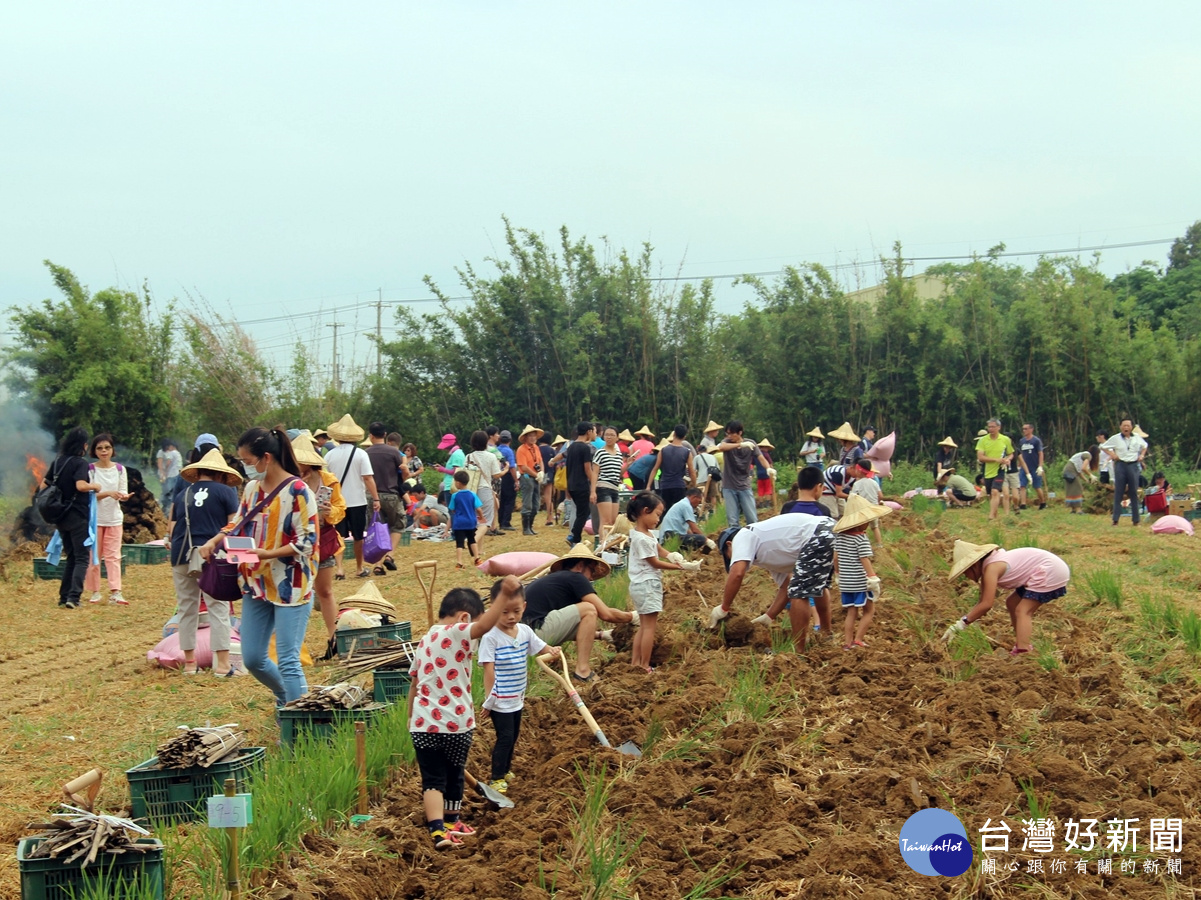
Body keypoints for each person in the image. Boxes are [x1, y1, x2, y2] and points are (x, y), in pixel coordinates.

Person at [200, 426, 317, 707]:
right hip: (256, 583)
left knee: (288, 658)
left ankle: (300, 721)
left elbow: (308, 542)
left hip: (292, 585)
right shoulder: (252, 489)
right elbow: (237, 523)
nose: (246, 468)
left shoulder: (298, 490)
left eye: (248, 462)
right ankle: (285, 699)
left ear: (266, 458)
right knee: (252, 658)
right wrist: (215, 541)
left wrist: (267, 554)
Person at [407, 579, 511, 850]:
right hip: (456, 723)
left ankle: (440, 831)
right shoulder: (457, 632)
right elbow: (484, 625)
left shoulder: (423, 639)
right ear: (464, 618)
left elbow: (414, 685)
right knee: (454, 774)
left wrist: (410, 718)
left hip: (422, 724)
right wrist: (504, 594)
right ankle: (452, 821)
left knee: (432, 780)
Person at [479, 579, 561, 794]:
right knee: (504, 738)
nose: (511, 617)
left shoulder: (524, 631)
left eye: (516, 611)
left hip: (517, 697)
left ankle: (506, 770)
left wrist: (552, 650)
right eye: (504, 612)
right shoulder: (490, 637)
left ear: (524, 607)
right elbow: (488, 670)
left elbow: (540, 647)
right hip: (499, 700)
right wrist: (490, 700)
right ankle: (496, 777)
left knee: (514, 735)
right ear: (494, 609)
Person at [709, 513, 836, 650]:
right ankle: (826, 635)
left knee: (799, 594)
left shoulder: (742, 536)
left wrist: (723, 608)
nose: (733, 560)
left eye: (729, 556)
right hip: (829, 529)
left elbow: (737, 574)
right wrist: (769, 617)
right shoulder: (768, 552)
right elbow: (786, 586)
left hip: (816, 534)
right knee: (818, 586)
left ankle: (799, 650)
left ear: (729, 545)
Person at [167, 449, 241, 675]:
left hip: (181, 554)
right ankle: (222, 665)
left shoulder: (183, 495)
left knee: (187, 608)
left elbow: (171, 529)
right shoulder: (226, 492)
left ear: (198, 473)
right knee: (217, 607)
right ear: (220, 475)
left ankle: (190, 664)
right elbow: (232, 527)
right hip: (210, 554)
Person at [521, 543, 637, 681]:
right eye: (592, 571)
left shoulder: (558, 581)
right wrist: (633, 617)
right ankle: (583, 671)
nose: (591, 578)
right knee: (589, 609)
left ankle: (584, 663)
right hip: (534, 635)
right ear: (581, 565)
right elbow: (606, 614)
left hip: (523, 640)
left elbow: (572, 625)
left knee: (582, 614)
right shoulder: (576, 577)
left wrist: (601, 635)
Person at [941, 540, 1070, 655]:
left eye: (965, 572)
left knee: (1023, 611)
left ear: (974, 565)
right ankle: (1021, 642)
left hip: (1050, 570)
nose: (967, 577)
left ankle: (1024, 650)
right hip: (1044, 569)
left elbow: (986, 604)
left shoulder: (991, 568)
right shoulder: (990, 566)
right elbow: (982, 601)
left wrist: (961, 624)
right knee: (1012, 603)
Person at [291, 433, 347, 660]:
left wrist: (329, 512)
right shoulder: (289, 481)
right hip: (295, 541)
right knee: (296, 593)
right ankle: (296, 647)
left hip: (322, 538)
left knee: (324, 591)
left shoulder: (328, 480)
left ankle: (335, 641)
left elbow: (340, 508)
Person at [627, 492, 689, 673]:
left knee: (643, 626)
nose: (658, 519)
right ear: (645, 511)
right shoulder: (641, 538)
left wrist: (671, 555)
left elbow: (658, 549)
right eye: (657, 515)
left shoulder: (644, 534)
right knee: (649, 628)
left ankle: (636, 663)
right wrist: (679, 568)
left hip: (640, 585)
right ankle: (645, 665)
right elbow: (653, 562)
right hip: (648, 585)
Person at [46, 427, 101, 609]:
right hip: (77, 515)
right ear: (83, 445)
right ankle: (74, 597)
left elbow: (43, 485)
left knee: (71, 556)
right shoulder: (80, 463)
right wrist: (95, 486)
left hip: (60, 515)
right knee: (81, 558)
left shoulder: (58, 462)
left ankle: (64, 597)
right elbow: (80, 486)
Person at [324, 415, 381, 578]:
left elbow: (325, 478)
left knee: (338, 536)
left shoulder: (329, 455)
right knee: (358, 536)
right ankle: (359, 567)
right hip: (357, 500)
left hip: (336, 502)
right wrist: (376, 498)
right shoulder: (361, 454)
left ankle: (340, 569)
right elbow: (368, 478)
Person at [833, 495, 886, 650]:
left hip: (845, 582)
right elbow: (865, 559)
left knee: (851, 612)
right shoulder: (861, 539)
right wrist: (872, 578)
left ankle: (847, 643)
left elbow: (835, 558)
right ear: (861, 522)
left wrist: (837, 573)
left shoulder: (840, 537)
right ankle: (858, 639)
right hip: (860, 582)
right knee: (869, 610)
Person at [84, 433, 130, 605]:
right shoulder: (90, 470)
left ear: (112, 450)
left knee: (113, 556)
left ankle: (116, 591)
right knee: (94, 557)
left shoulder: (119, 469)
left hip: (114, 518)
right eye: (100, 448)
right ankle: (95, 591)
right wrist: (108, 494)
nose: (104, 451)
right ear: (94, 451)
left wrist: (123, 496)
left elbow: (123, 490)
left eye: (107, 448)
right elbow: (89, 495)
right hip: (95, 519)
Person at [713, 421, 774, 527]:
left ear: (740, 433)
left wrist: (768, 468)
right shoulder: (727, 442)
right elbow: (721, 447)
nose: (730, 436)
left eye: (732, 433)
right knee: (733, 521)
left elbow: (761, 458)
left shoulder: (751, 444)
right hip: (729, 485)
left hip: (744, 485)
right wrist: (739, 445)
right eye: (728, 433)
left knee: (752, 519)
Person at [365, 422, 404, 573]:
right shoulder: (393, 452)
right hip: (391, 494)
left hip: (371, 496)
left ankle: (377, 564)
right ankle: (389, 556)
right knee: (398, 524)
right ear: (385, 434)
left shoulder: (366, 453)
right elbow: (402, 473)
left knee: (377, 529)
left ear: (371, 436)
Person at [553, 422, 597, 548]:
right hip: (581, 484)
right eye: (592, 431)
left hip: (571, 484)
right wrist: (594, 482)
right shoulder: (584, 448)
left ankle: (575, 537)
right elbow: (587, 469)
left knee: (580, 512)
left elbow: (564, 461)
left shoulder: (571, 447)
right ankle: (574, 537)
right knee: (584, 512)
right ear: (588, 432)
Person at [1100, 418, 1148, 527]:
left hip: (1133, 465)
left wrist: (1142, 455)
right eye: (1124, 426)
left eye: (1128, 426)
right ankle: (1115, 520)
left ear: (1131, 427)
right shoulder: (1115, 438)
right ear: (1120, 427)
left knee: (1133, 493)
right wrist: (1112, 455)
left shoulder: (1137, 438)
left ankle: (1136, 520)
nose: (1126, 428)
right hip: (1120, 465)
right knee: (1119, 492)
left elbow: (1145, 446)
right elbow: (1103, 446)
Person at [465, 430, 503, 550]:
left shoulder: (468, 456)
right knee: (486, 521)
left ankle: (479, 550)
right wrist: (506, 469)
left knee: (477, 521)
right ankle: (473, 541)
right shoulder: (491, 456)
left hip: (471, 490)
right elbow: (496, 475)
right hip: (485, 489)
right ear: (486, 441)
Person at [647, 425, 696, 510]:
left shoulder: (663, 451)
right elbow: (692, 472)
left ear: (674, 434)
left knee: (666, 511)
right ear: (684, 437)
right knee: (679, 512)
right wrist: (694, 485)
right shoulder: (687, 452)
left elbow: (655, 469)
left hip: (665, 485)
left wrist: (648, 486)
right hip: (679, 486)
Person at [975, 418, 1015, 521]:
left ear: (999, 427)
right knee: (990, 494)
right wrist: (996, 460)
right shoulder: (983, 440)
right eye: (989, 427)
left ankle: (991, 517)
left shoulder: (1005, 439)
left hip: (1000, 470)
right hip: (987, 470)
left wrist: (1007, 459)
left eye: (993, 427)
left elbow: (1011, 454)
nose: (991, 429)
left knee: (995, 491)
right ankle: (995, 513)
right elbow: (980, 457)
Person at [589, 426, 625, 540]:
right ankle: (602, 545)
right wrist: (593, 491)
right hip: (603, 487)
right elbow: (595, 473)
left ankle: (609, 544)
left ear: (617, 438)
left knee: (613, 521)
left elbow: (619, 473)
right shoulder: (600, 452)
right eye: (607, 435)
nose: (609, 437)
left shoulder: (619, 455)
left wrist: (628, 464)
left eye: (612, 435)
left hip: (615, 488)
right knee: (605, 521)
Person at [449, 469, 484, 568]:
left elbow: (452, 509)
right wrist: (481, 517)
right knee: (472, 540)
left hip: (459, 523)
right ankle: (477, 558)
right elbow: (479, 509)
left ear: (458, 483)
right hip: (470, 522)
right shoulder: (473, 494)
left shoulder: (455, 496)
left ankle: (459, 562)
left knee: (459, 543)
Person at [515, 425, 545, 535]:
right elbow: (523, 467)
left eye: (534, 436)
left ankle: (530, 526)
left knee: (536, 503)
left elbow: (540, 461)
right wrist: (536, 474)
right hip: (527, 477)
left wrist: (541, 472)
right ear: (526, 437)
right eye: (530, 436)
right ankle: (525, 528)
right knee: (527, 503)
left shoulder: (536, 448)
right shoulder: (521, 450)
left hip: (536, 477)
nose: (533, 438)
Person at [848, 458, 885, 545]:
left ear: (859, 471)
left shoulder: (857, 484)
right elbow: (881, 496)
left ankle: (862, 545)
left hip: (862, 510)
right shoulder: (874, 482)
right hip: (873, 508)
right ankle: (879, 544)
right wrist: (878, 503)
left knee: (860, 529)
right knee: (875, 527)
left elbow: (853, 497)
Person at [1017, 424, 1047, 510]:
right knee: (1022, 485)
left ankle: (1042, 502)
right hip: (1024, 467)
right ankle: (1023, 504)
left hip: (1035, 467)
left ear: (1031, 429)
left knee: (1036, 486)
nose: (1024, 431)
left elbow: (1040, 453)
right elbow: (1021, 454)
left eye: (1026, 429)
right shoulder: (1022, 441)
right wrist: (1019, 465)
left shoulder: (1036, 441)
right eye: (1023, 429)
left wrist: (1040, 466)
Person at [1061, 446, 1099, 513]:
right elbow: (1083, 468)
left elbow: (1079, 472)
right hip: (1071, 471)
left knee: (1071, 490)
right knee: (1078, 489)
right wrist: (1091, 475)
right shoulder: (1088, 455)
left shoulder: (1084, 454)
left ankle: (1073, 509)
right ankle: (1078, 510)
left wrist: (1086, 480)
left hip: (1068, 470)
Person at [435, 433, 466, 508]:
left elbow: (456, 472)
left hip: (451, 487)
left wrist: (442, 469)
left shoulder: (456, 454)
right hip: (450, 486)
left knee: (452, 511)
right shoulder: (456, 453)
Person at [156, 439, 183, 509]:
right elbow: (160, 463)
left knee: (168, 491)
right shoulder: (176, 453)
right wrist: (163, 473)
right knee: (167, 490)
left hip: (171, 475)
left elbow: (168, 463)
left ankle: (165, 506)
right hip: (168, 474)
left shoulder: (172, 453)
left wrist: (166, 472)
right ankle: (163, 505)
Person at [538, 434, 557, 527]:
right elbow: (555, 464)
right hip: (549, 474)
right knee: (548, 497)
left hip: (538, 474)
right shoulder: (551, 450)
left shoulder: (536, 449)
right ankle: (549, 518)